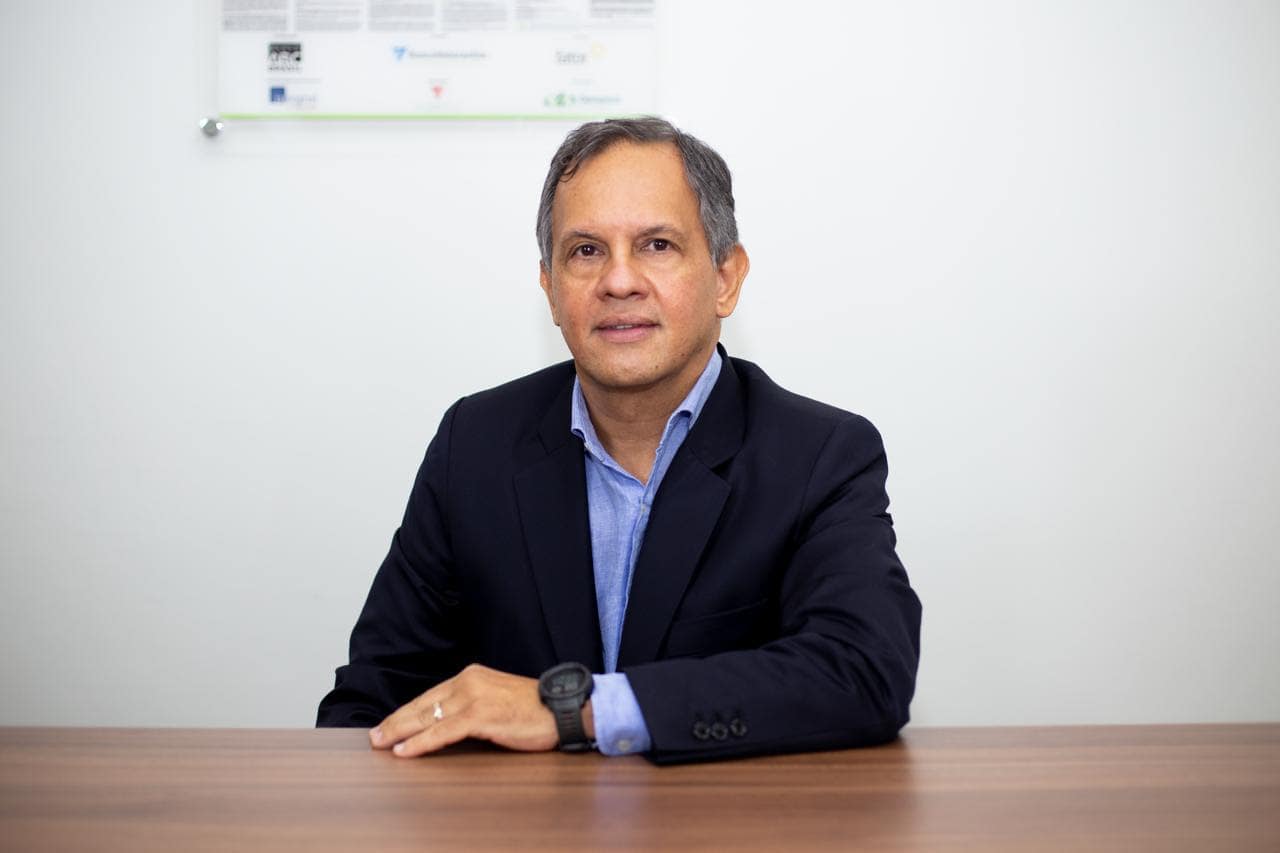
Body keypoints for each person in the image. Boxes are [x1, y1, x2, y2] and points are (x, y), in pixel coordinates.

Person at [317, 117, 921, 764]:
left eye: (657, 245)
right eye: (586, 251)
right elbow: (372, 700)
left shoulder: (819, 455)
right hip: (523, 817)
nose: (619, 280)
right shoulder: (475, 444)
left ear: (725, 277)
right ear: (550, 289)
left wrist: (576, 712)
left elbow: (862, 672)